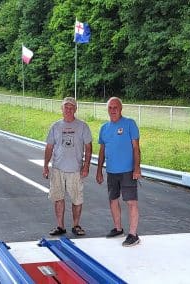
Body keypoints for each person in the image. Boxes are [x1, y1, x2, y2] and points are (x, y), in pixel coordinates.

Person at [43, 97, 92, 236]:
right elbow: (49, 147)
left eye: (71, 107)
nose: (69, 110)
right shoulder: (55, 126)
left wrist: (86, 166)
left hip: (75, 169)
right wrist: (45, 165)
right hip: (58, 168)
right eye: (66, 107)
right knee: (58, 197)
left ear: (75, 109)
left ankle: (76, 225)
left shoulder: (83, 126)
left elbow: (88, 147)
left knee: (77, 198)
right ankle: (60, 226)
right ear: (62, 109)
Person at [96, 97, 142, 247]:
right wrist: (99, 170)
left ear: (121, 109)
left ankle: (133, 234)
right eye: (110, 107)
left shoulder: (129, 124)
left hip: (128, 171)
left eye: (116, 107)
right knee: (113, 200)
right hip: (111, 171)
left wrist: (137, 168)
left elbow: (136, 148)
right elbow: (102, 151)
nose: (113, 110)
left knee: (131, 202)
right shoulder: (104, 128)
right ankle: (118, 228)